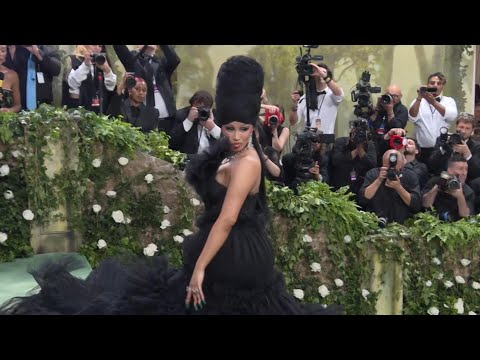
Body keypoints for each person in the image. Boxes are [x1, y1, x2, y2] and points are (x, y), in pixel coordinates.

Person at [0, 55, 341, 315]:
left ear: (253, 126)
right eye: (230, 128)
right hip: (225, 252)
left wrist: (199, 270)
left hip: (236, 259)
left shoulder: (248, 162)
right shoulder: (237, 153)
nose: (235, 136)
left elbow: (226, 220)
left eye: (244, 129)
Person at [113, 45, 180, 135]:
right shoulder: (133, 61)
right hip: (144, 121)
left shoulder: (161, 63)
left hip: (168, 119)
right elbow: (120, 50)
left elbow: (174, 60)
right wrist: (139, 52)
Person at [408, 72, 458, 167]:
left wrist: (433, 102)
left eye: (439, 83)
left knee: (440, 176)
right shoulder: (418, 101)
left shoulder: (449, 101)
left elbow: (452, 116)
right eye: (432, 83)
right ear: (427, 85)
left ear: (443, 86)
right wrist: (420, 97)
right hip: (422, 150)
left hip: (442, 150)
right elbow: (412, 117)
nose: (435, 85)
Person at [4, 45, 61, 110]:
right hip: (17, 105)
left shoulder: (48, 48)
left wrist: (38, 53)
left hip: (43, 105)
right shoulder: (13, 48)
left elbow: (56, 70)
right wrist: (12, 52)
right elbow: (6, 71)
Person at [0, 45, 21, 113]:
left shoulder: (12, 75)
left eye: (3, 51)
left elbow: (18, 105)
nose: (0, 54)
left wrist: (8, 111)